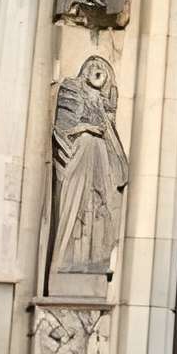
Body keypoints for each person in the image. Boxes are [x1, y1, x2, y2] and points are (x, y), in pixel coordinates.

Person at [49, 54, 130, 287]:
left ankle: (92, 258)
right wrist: (87, 128)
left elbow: (110, 135)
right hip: (81, 152)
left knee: (98, 206)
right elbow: (63, 128)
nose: (97, 70)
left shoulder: (104, 104)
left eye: (102, 68)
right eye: (92, 66)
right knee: (76, 203)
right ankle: (67, 261)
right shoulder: (72, 89)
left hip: (99, 156)